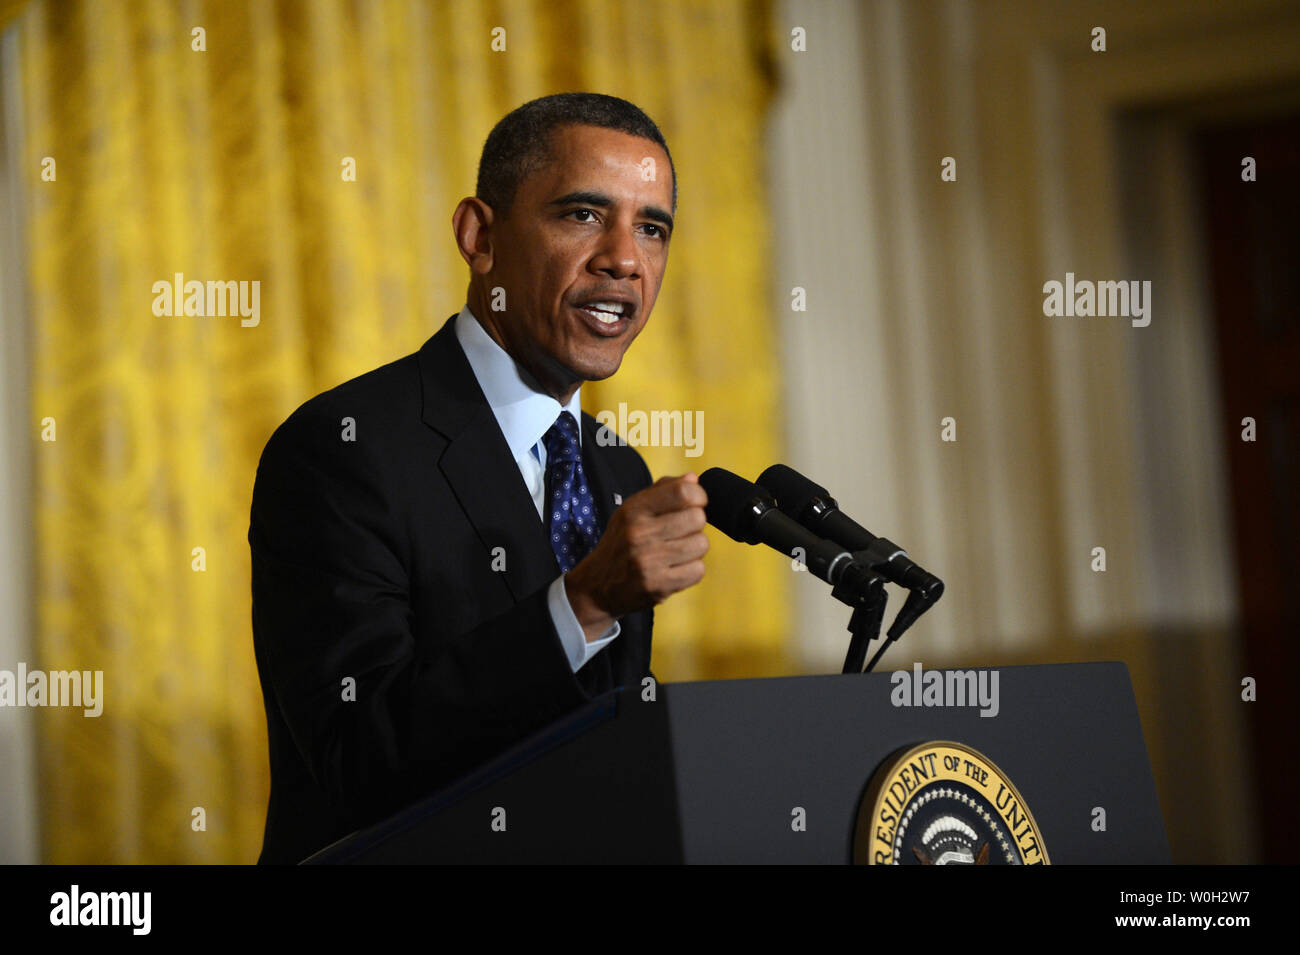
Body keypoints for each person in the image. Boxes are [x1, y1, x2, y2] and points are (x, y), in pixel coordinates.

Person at [248, 92, 709, 864]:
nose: (625, 258)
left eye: (652, 228)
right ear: (480, 236)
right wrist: (584, 601)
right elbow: (356, 763)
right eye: (584, 215)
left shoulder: (616, 467)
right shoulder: (343, 448)